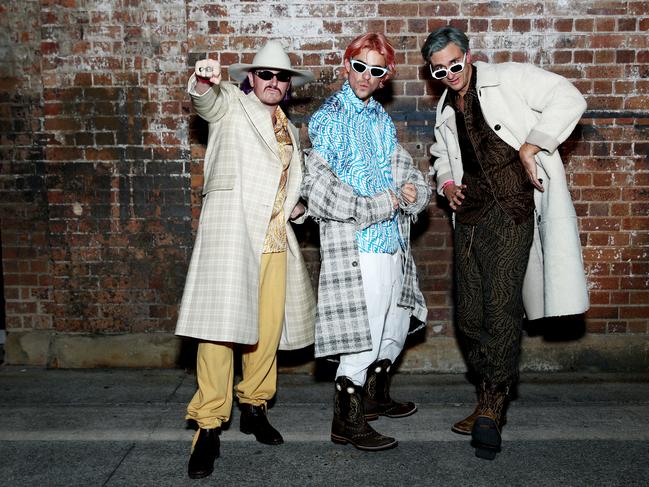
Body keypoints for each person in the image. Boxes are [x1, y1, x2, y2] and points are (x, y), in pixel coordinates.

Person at [421, 26, 589, 460]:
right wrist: (447, 181)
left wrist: (534, 146)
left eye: (456, 65)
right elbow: (442, 153)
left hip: (514, 211)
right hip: (472, 214)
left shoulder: (510, 77)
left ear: (469, 56)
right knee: (470, 314)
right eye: (440, 70)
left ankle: (494, 403)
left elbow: (570, 97)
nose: (450, 74)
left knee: (501, 304)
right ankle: (486, 391)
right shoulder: (445, 104)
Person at [175, 40, 316, 479]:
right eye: (266, 75)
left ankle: (254, 406)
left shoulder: (289, 130)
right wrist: (203, 80)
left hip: (275, 241)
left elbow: (289, 185)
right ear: (250, 78)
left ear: (288, 86)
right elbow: (206, 102)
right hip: (233, 236)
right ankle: (208, 426)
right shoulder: (231, 103)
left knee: (266, 332)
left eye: (282, 77)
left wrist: (298, 207)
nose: (274, 82)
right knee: (218, 333)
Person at [302, 32, 431, 451]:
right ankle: (347, 420)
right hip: (358, 245)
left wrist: (414, 191)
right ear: (347, 64)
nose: (365, 76)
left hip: (393, 239)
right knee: (363, 331)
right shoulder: (329, 118)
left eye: (375, 71)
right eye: (359, 66)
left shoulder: (379, 119)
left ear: (384, 78)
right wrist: (386, 202)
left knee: (394, 322)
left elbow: (406, 169)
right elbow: (318, 188)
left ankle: (375, 395)